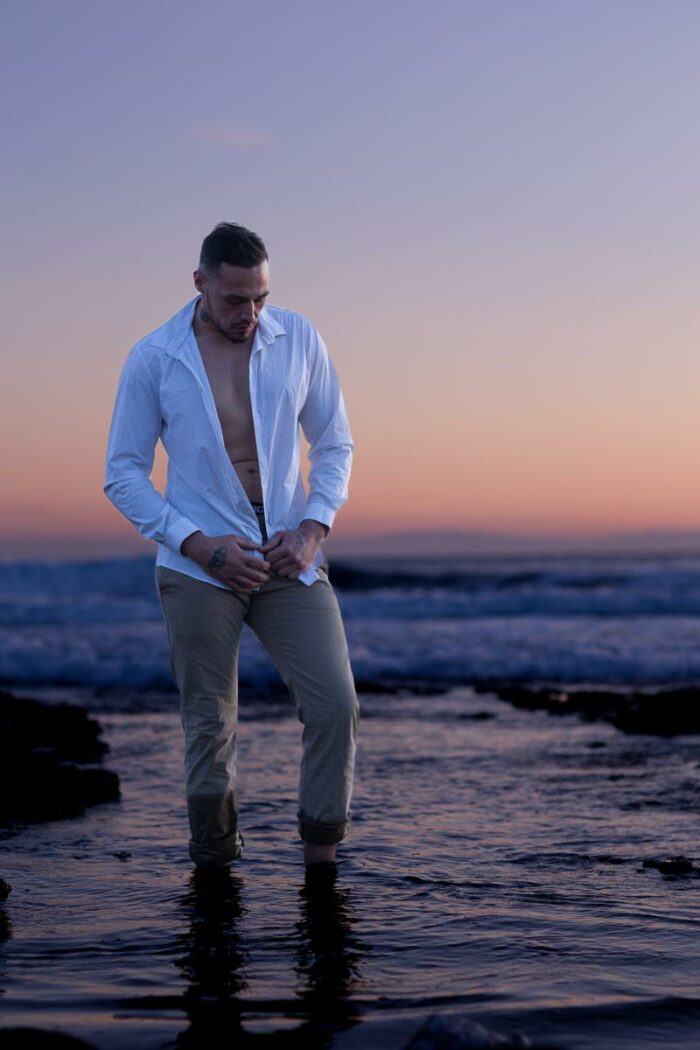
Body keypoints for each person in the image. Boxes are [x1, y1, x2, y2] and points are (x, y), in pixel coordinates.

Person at [104, 222, 359, 874]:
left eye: (260, 298)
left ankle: (322, 869)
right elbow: (123, 471)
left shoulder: (297, 337)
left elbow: (334, 443)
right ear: (201, 284)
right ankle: (215, 876)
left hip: (287, 557)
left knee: (335, 705)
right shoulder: (155, 357)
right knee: (210, 728)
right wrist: (196, 545)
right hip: (199, 564)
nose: (249, 314)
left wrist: (311, 531)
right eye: (234, 300)